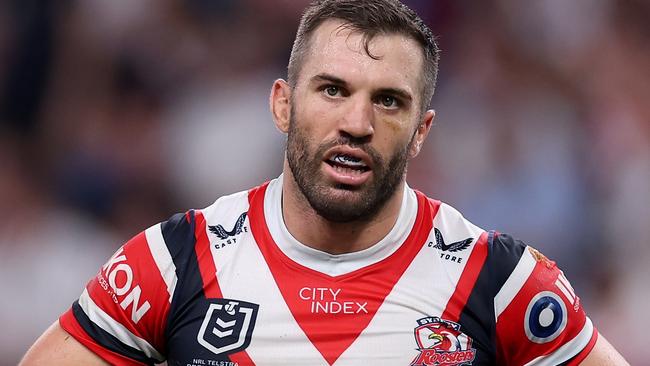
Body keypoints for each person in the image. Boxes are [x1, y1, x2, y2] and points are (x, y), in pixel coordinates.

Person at [22, 0, 628, 365]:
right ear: (283, 105)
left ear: (422, 131)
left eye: (389, 101)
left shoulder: (500, 280)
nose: (357, 124)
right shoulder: (176, 261)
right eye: (332, 90)